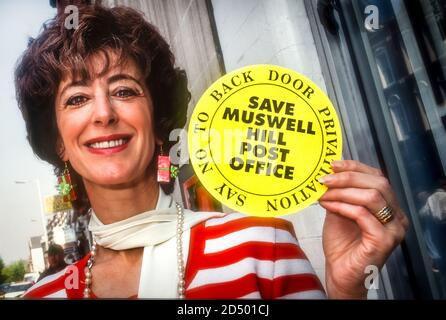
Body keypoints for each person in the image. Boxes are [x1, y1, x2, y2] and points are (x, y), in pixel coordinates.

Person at [16, 4, 408, 299]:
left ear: (157, 123)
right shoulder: (43, 295)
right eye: (77, 98)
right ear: (58, 142)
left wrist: (346, 291)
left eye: (124, 91)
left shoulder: (262, 246)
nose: (103, 113)